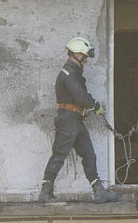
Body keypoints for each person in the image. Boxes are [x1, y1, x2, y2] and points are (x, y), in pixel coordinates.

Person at [38, 37, 118, 203]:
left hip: (75, 120)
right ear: (77, 54)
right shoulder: (69, 73)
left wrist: (90, 106)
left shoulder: (73, 72)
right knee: (59, 155)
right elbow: (80, 96)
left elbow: (80, 96)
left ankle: (99, 192)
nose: (86, 59)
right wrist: (94, 105)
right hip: (68, 120)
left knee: (89, 154)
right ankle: (45, 193)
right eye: (85, 56)